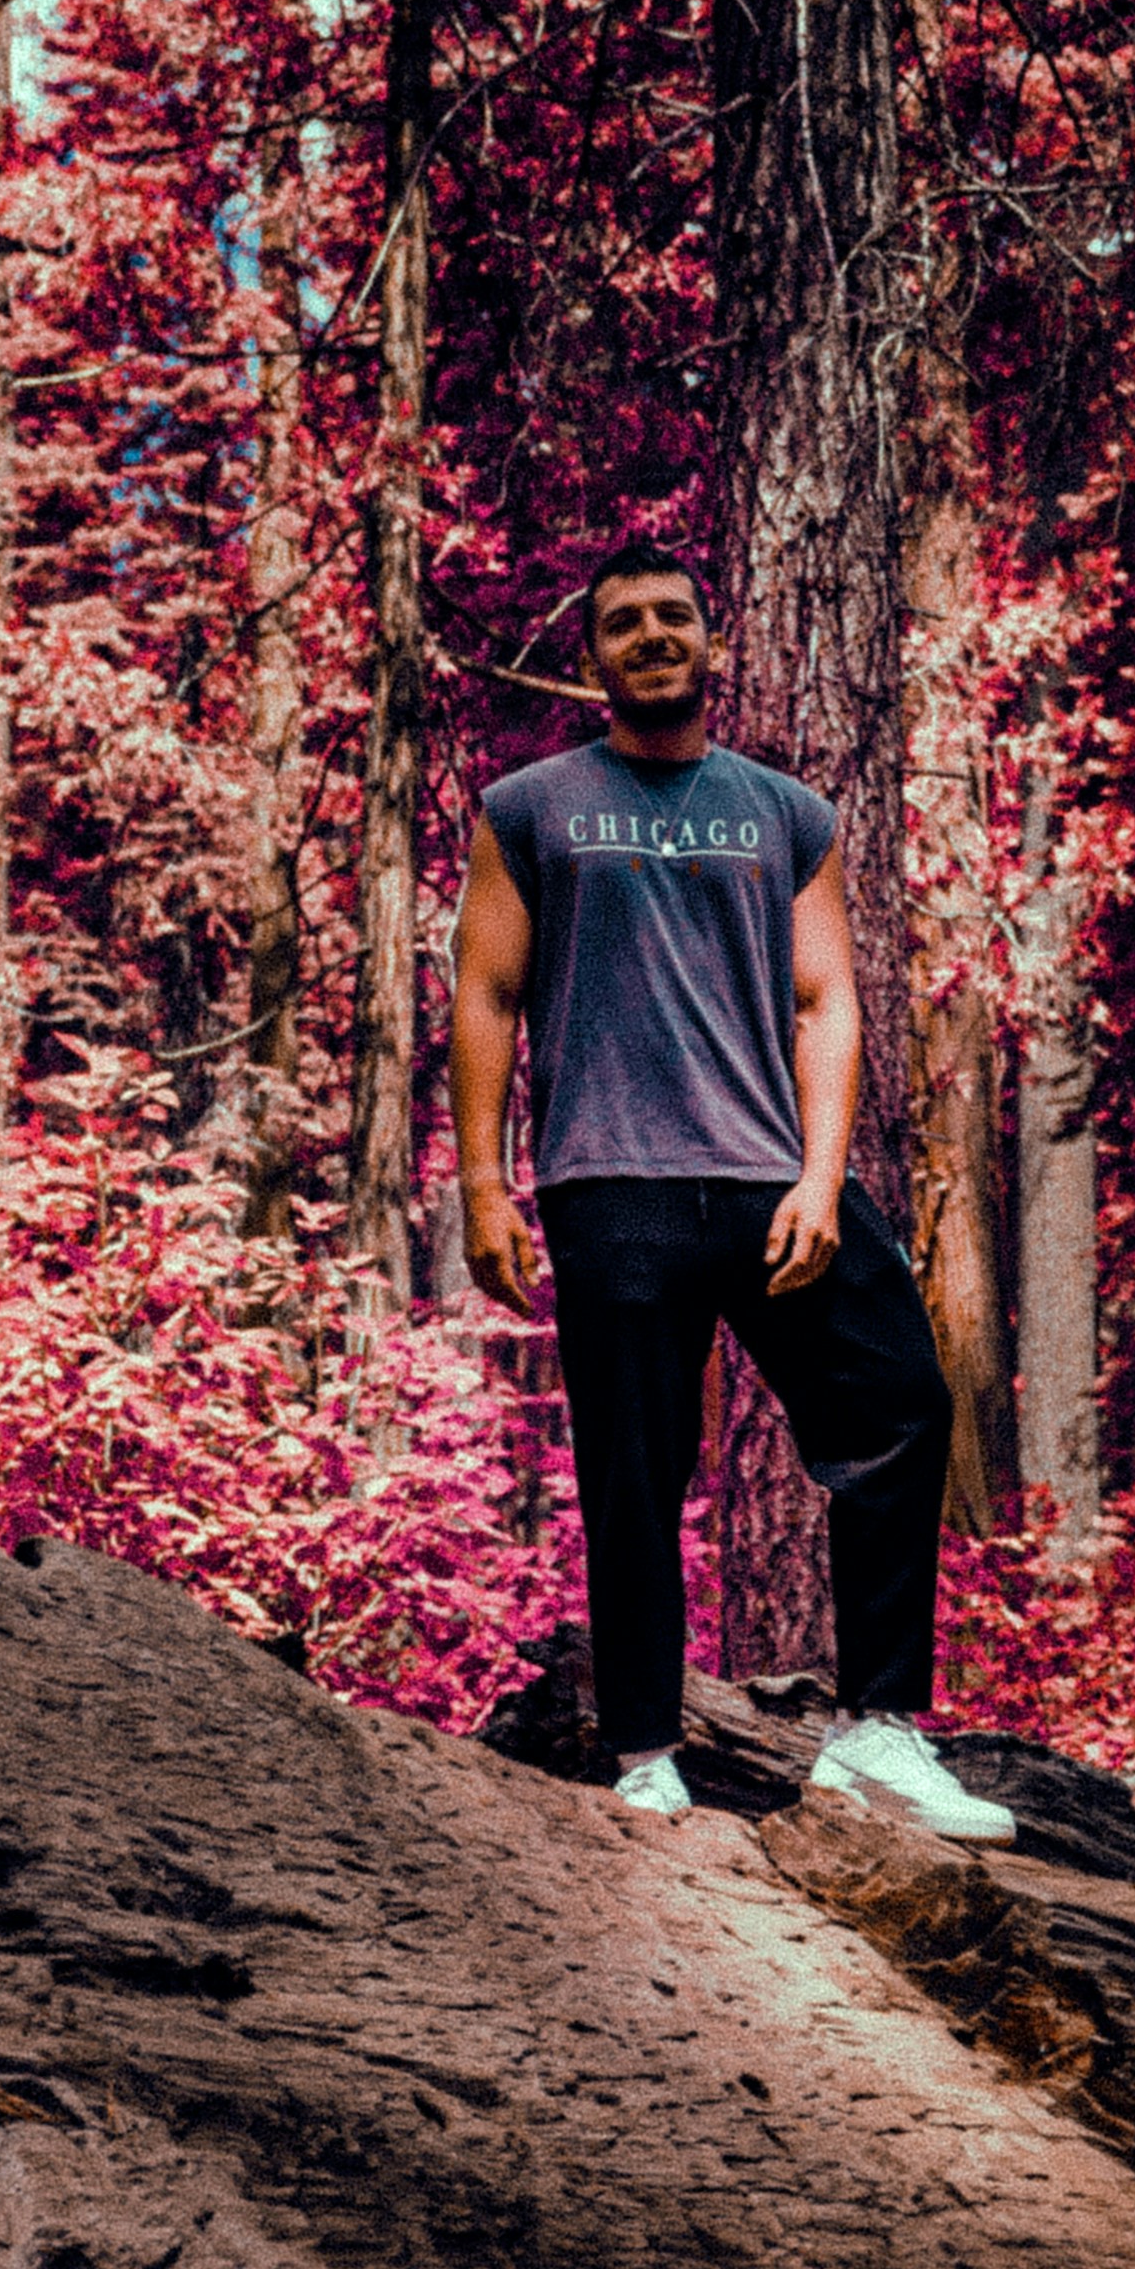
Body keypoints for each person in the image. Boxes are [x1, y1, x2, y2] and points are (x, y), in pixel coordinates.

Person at [451, 539, 1016, 1840]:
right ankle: (646, 1753)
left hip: (770, 1182)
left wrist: (823, 1175)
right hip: (611, 1183)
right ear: (593, 655)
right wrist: (485, 1184)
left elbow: (827, 1000)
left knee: (902, 1402)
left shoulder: (787, 813)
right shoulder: (528, 807)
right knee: (635, 1473)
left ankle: (876, 1735)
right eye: (623, 622)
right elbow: (486, 993)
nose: (652, 636)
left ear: (713, 641)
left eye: (674, 616)